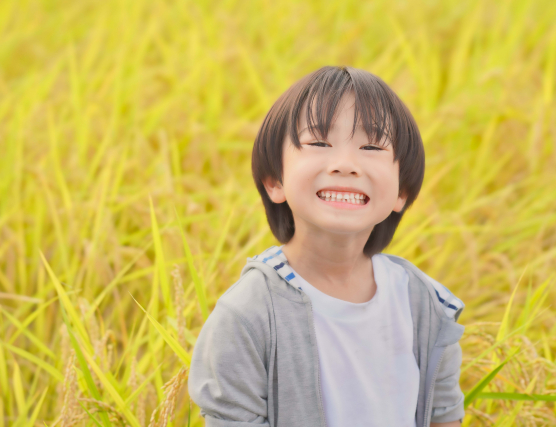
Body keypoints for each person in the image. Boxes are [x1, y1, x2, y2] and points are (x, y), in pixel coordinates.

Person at [188, 65, 465, 427]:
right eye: (319, 142)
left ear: (401, 192)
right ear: (275, 181)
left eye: (371, 145)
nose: (346, 165)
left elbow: (443, 416)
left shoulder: (425, 305)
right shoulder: (247, 316)